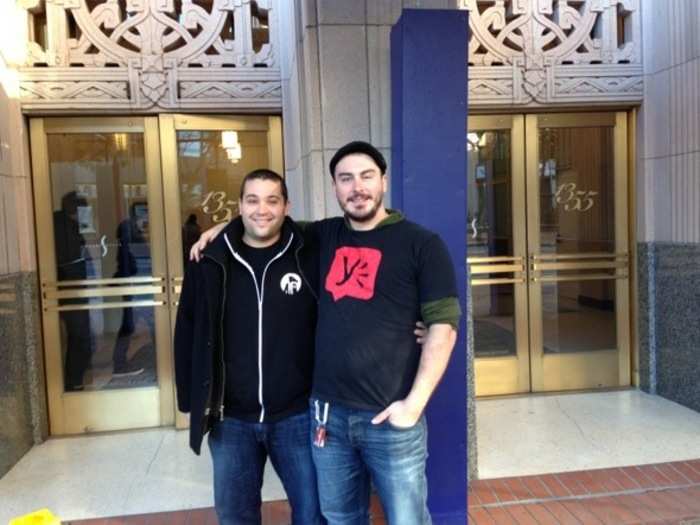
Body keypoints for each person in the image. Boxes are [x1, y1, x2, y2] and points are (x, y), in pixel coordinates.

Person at [190, 142, 461, 525]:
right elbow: (265, 222)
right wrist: (222, 228)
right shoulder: (323, 236)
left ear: (383, 180)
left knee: (407, 519)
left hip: (390, 416)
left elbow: (444, 327)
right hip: (327, 418)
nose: (357, 188)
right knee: (338, 517)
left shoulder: (421, 244)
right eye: (345, 179)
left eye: (367, 176)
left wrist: (413, 406)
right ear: (335, 187)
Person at [174, 169, 324, 525]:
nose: (262, 209)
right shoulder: (210, 261)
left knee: (313, 513)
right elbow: (188, 329)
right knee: (235, 516)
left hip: (297, 414)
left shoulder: (309, 253)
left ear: (287, 206)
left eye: (273, 200)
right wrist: (190, 398)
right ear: (239, 206)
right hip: (232, 418)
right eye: (253, 200)